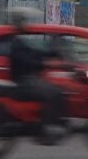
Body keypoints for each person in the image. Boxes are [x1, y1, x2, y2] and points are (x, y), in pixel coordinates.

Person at [7, 9, 67, 145]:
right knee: (53, 93)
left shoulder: (19, 39)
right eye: (23, 21)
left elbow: (32, 52)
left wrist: (49, 53)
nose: (25, 24)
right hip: (23, 81)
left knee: (55, 89)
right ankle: (45, 129)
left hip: (29, 77)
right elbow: (24, 60)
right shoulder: (15, 41)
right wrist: (42, 63)